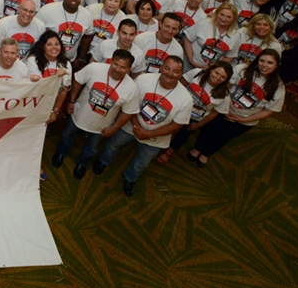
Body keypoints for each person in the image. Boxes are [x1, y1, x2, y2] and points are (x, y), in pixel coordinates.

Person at [93, 55, 193, 196]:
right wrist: (136, 126)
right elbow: (130, 104)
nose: (170, 73)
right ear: (161, 68)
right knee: (112, 145)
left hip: (156, 137)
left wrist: (148, 134)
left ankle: (130, 178)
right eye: (167, 68)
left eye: (175, 71)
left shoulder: (186, 99)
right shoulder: (143, 79)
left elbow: (176, 126)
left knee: (142, 162)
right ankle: (103, 161)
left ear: (181, 74)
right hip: (132, 124)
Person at [51, 49, 139, 179]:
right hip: (79, 114)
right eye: (115, 64)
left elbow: (127, 113)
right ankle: (61, 153)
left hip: (101, 126)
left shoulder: (132, 88)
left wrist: (113, 129)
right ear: (111, 62)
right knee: (67, 135)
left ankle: (82, 163)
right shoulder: (94, 68)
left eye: (122, 67)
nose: (117, 69)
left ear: (129, 69)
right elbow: (77, 80)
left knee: (92, 148)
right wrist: (72, 100)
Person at [190, 49, 285, 167]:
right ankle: (198, 148)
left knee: (223, 137)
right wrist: (224, 108)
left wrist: (243, 120)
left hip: (245, 119)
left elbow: (269, 110)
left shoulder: (278, 87)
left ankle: (206, 153)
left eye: (270, 63)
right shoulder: (243, 69)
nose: (264, 65)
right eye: (262, 61)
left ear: (276, 66)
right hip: (224, 109)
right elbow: (225, 86)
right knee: (210, 129)